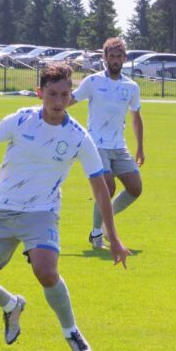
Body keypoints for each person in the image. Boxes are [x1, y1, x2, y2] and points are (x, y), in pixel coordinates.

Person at [0, 64, 131, 351]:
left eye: (64, 95)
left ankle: (72, 332)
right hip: (2, 211)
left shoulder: (79, 137)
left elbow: (102, 189)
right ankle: (11, 304)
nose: (58, 101)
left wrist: (113, 237)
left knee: (46, 271)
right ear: (40, 93)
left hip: (42, 213)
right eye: (52, 94)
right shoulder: (20, 120)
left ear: (71, 96)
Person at [68, 37, 144, 249]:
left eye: (119, 57)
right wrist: (49, 105)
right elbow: (70, 100)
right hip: (96, 145)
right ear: (105, 58)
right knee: (107, 188)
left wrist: (140, 147)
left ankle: (104, 224)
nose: (115, 60)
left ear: (124, 59)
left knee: (135, 188)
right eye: (112, 56)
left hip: (119, 146)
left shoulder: (131, 86)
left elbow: (136, 118)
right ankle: (96, 234)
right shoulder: (92, 82)